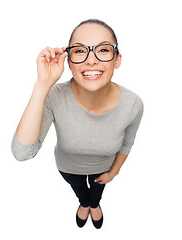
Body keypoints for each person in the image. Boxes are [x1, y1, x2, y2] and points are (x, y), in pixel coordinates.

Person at [11, 19, 144, 229]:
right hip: (68, 167)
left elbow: (128, 142)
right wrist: (42, 85)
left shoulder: (133, 104)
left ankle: (95, 203)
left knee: (98, 189)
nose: (91, 60)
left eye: (103, 49)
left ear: (117, 60)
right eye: (80, 51)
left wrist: (114, 172)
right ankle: (84, 203)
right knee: (80, 190)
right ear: (69, 60)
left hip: (104, 168)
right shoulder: (54, 96)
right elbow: (22, 153)